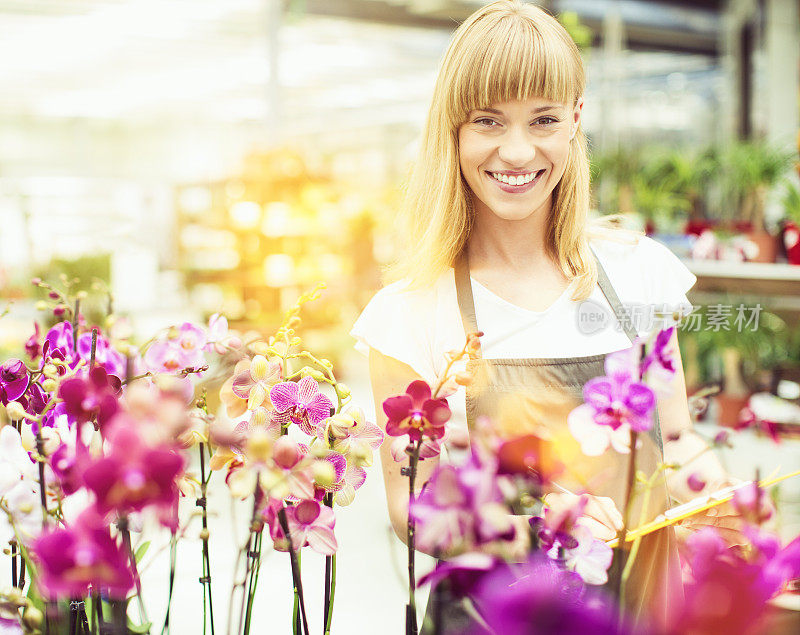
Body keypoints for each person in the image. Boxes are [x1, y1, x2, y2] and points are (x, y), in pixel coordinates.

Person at [350, 1, 743, 630]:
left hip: (643, 608)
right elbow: (411, 509)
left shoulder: (639, 273)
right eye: (488, 121)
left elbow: (680, 435)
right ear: (452, 130)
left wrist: (718, 504)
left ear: (574, 122)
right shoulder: (409, 313)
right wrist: (535, 520)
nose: (516, 150)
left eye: (543, 119)